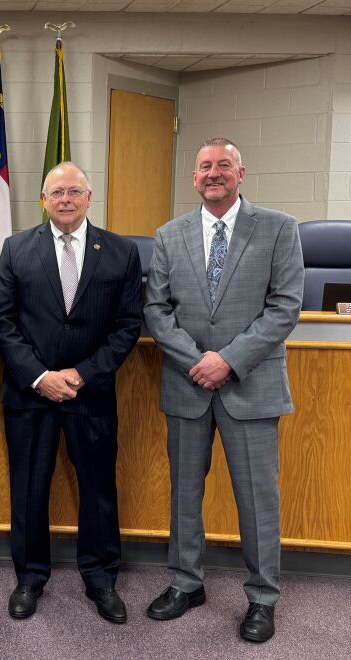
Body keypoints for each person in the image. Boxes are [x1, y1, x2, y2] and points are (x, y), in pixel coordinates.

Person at [144, 138, 304, 643]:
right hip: (188, 384)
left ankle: (262, 598)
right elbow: (156, 310)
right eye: (205, 167)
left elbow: (285, 307)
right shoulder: (170, 235)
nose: (214, 173)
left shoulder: (279, 228)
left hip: (251, 385)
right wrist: (199, 362)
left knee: (258, 498)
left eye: (223, 166)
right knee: (184, 494)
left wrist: (228, 361)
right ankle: (187, 583)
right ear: (194, 179)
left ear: (241, 173)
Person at [0, 162, 143, 624]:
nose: (66, 199)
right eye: (56, 192)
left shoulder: (120, 251)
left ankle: (101, 578)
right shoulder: (16, 248)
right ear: (43, 199)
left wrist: (80, 374)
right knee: (29, 489)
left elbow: (128, 324)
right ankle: (30, 577)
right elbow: (2, 320)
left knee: (98, 489)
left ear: (89, 198)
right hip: (30, 394)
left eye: (75, 191)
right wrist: (40, 376)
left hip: (90, 394)